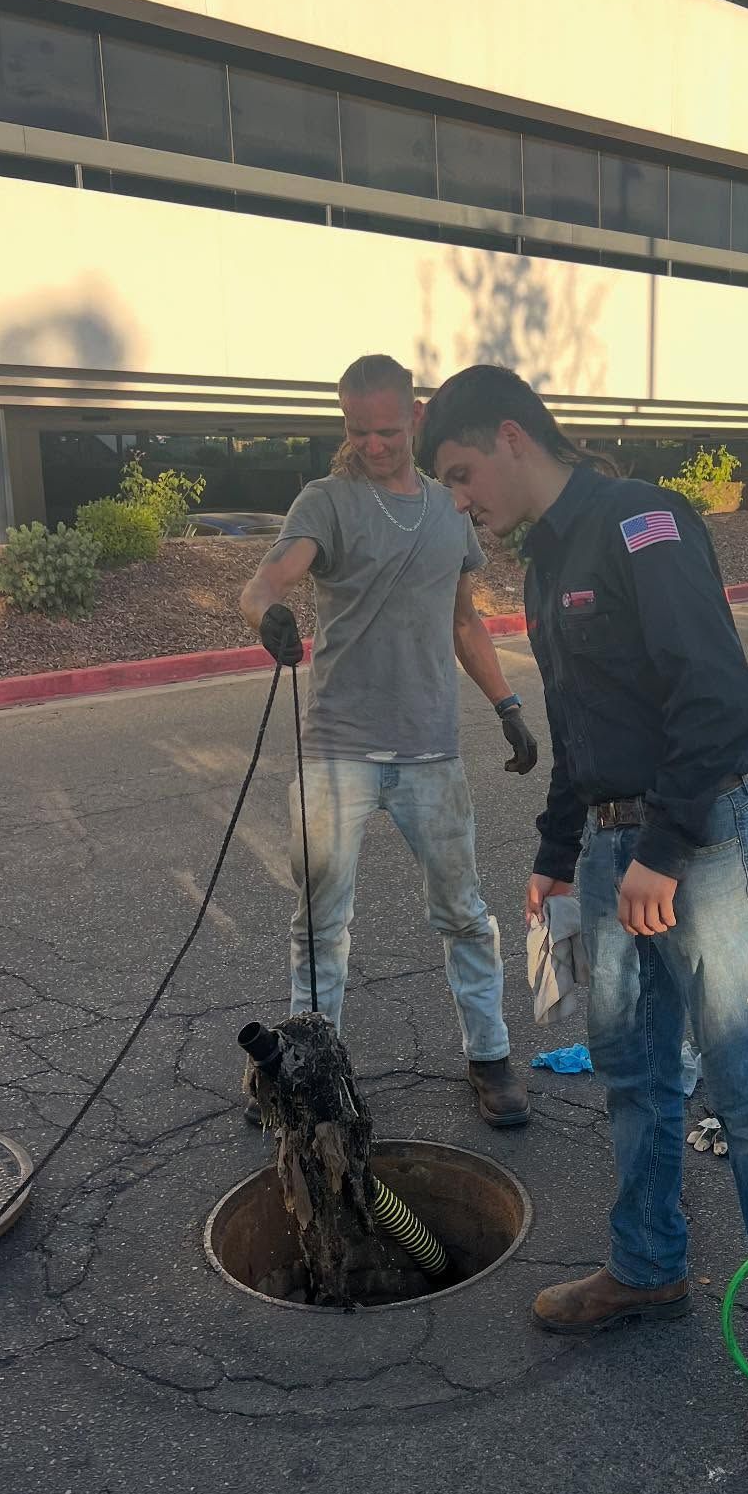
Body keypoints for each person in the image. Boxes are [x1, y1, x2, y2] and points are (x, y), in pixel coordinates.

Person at [419, 365, 748, 1451]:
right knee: (635, 1076)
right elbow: (582, 720)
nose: (459, 499)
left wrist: (660, 846)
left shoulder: (641, 521)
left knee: (747, 1089)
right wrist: (561, 852)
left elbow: (718, 700)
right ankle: (649, 1268)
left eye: (462, 473)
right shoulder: (548, 556)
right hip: (616, 854)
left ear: (511, 436)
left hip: (698, 844)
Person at [238, 353, 536, 1128]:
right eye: (357, 430)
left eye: (387, 429)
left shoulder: (448, 508)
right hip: (338, 749)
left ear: (416, 416)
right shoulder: (327, 502)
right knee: (319, 929)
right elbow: (269, 577)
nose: (373, 444)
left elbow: (463, 617)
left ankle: (490, 1056)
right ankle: (308, 1073)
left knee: (464, 913)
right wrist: (263, 613)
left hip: (430, 749)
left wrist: (507, 705)